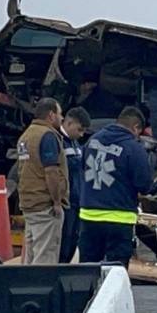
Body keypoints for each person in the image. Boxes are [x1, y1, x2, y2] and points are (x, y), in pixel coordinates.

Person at [78, 106, 156, 267]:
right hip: (119, 218)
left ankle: (89, 293)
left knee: (87, 271)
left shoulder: (92, 141)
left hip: (89, 216)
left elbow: (81, 168)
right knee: (116, 272)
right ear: (136, 128)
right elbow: (144, 185)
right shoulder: (133, 148)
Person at [16, 97, 69, 265]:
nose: (62, 119)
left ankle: (27, 288)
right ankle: (41, 288)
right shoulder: (47, 136)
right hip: (45, 204)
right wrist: (56, 202)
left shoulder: (26, 135)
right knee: (45, 255)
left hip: (29, 202)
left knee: (31, 255)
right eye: (60, 114)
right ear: (51, 115)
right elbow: (51, 171)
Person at [59, 106, 91, 263]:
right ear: (69, 123)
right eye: (79, 129)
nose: (81, 134)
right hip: (66, 201)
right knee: (64, 241)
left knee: (73, 240)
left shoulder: (76, 145)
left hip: (77, 200)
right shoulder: (58, 141)